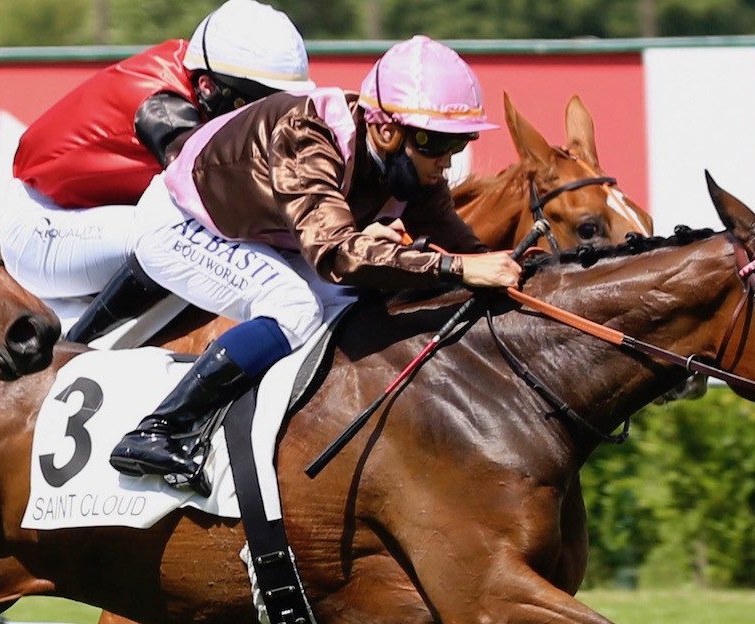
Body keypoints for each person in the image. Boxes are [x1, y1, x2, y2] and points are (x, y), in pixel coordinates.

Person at [108, 34, 523, 493]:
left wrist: (521, 271)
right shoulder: (307, 136)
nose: (446, 163)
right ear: (388, 131)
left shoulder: (409, 166)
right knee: (295, 308)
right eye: (438, 144)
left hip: (264, 232)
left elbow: (464, 246)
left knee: (356, 303)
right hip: (182, 221)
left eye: (458, 145)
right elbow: (337, 255)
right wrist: (457, 269)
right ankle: (159, 429)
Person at [0, 0, 314, 328]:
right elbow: (214, 186)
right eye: (259, 106)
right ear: (207, 86)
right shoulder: (161, 108)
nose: (272, 120)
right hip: (39, 229)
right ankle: (75, 343)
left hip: (91, 214)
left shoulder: (206, 73)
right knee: (175, 235)